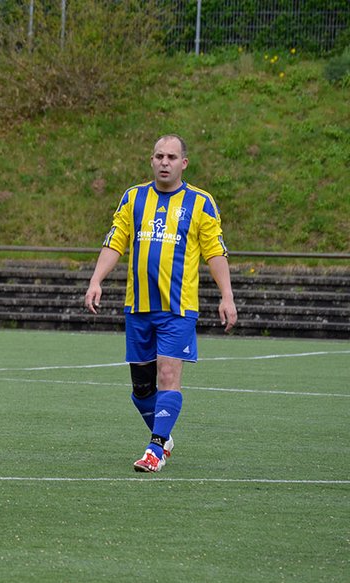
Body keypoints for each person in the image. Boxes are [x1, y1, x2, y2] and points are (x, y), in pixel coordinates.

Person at [84, 134, 237, 473]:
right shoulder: (134, 197)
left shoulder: (201, 203)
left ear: (183, 163)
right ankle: (164, 435)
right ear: (151, 161)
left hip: (178, 309)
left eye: (171, 157)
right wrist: (96, 280)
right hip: (137, 306)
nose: (164, 162)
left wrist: (226, 296)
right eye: (159, 156)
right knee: (140, 390)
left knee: (168, 374)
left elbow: (215, 251)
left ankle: (154, 450)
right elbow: (115, 242)